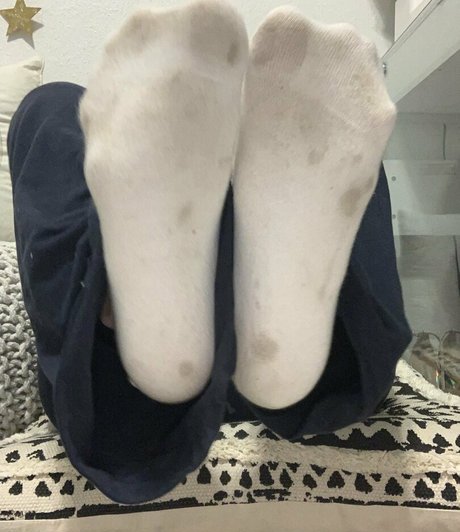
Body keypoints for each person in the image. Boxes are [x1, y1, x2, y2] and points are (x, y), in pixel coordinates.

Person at [7, 0, 411, 505]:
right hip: (335, 374)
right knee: (331, 110)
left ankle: (138, 324)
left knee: (48, 109)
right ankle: (284, 345)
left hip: (110, 396)